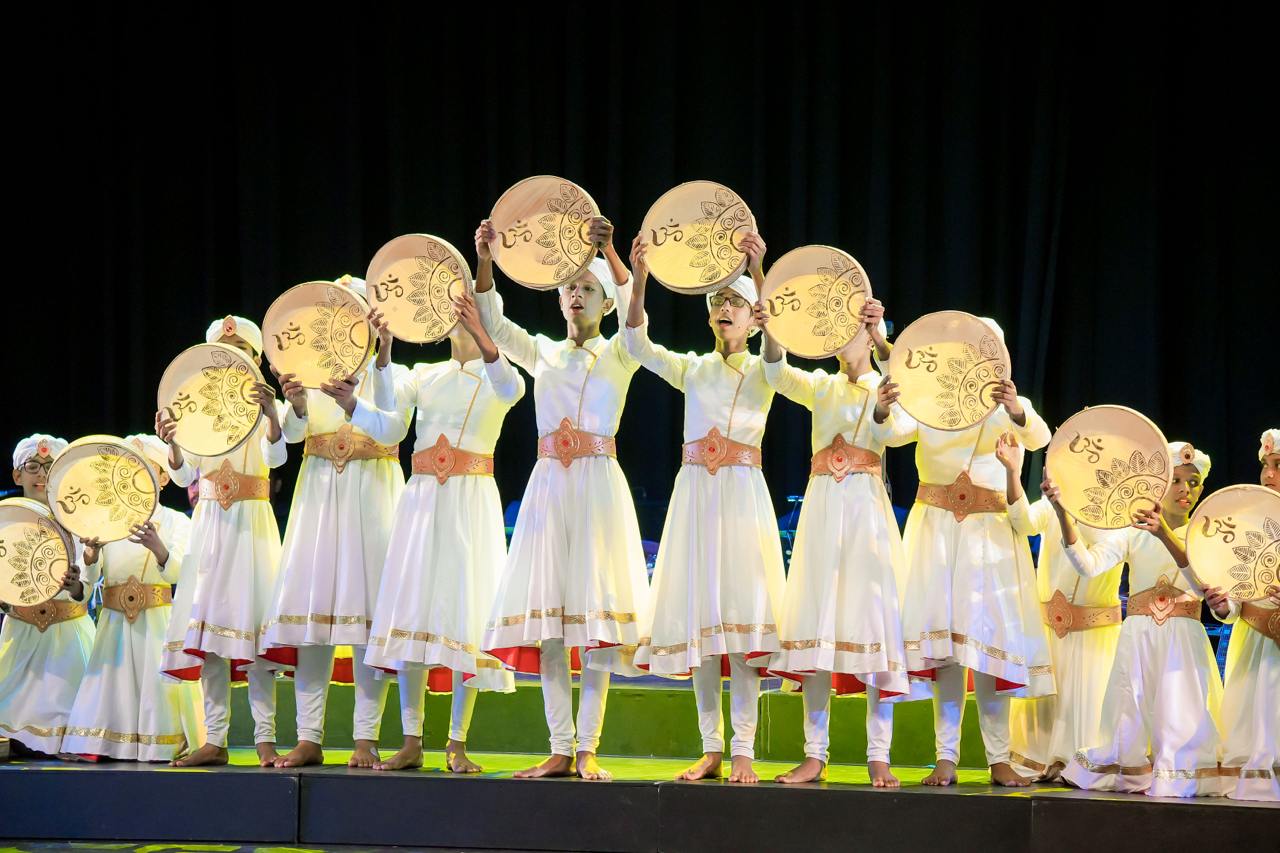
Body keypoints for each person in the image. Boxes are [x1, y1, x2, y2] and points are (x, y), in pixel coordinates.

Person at [477, 216, 649, 781]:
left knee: (594, 624)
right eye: (570, 287)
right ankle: (559, 746)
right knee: (550, 623)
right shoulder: (543, 353)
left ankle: (588, 746)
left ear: (605, 301)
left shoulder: (620, 353)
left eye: (589, 288)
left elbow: (636, 323)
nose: (577, 294)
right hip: (549, 488)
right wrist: (485, 259)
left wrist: (613, 254)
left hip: (597, 490)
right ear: (558, 298)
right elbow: (492, 323)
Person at [625, 233, 783, 785]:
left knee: (739, 629)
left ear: (754, 318)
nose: (724, 309)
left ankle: (744, 750)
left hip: (740, 498)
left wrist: (758, 270)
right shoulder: (694, 368)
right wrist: (640, 278)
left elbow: (778, 350)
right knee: (702, 629)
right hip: (695, 498)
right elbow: (638, 346)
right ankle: (711, 747)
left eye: (735, 302)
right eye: (718, 302)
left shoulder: (764, 369)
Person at [360, 289, 524, 772]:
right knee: (413, 610)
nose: (457, 318)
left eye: (467, 312)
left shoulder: (499, 372)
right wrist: (384, 348)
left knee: (463, 613)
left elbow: (510, 391)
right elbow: (388, 408)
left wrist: (483, 333)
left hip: (469, 503)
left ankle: (456, 742)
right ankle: (411, 740)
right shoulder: (424, 374)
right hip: (422, 501)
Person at [758, 297, 916, 787]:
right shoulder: (822, 386)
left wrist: (883, 409)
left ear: (870, 335)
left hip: (866, 513)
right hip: (824, 510)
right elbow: (776, 373)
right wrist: (773, 327)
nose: (841, 337)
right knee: (818, 623)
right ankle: (815, 754)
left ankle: (878, 755)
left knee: (873, 624)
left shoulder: (887, 386)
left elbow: (902, 434)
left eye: (853, 329)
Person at [895, 318, 1052, 787]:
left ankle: (998, 758)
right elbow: (892, 433)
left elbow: (1040, 437)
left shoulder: (1009, 404)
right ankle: (945, 757)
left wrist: (1015, 408)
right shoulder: (929, 397)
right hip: (938, 531)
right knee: (945, 650)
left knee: (989, 648)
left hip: (989, 536)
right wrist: (885, 406)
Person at [262, 276, 405, 769]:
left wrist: (382, 356)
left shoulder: (391, 372)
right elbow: (286, 442)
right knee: (312, 620)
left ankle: (366, 738)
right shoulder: (309, 374)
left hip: (373, 497)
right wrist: (297, 404)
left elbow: (394, 423)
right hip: (320, 498)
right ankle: (309, 737)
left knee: (366, 622)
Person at [1056, 442, 1230, 797]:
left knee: (1180, 711)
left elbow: (1203, 586)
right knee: (1130, 708)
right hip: (1138, 636)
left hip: (1183, 639)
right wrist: (1061, 512)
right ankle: (1132, 770)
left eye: (1193, 483)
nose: (1184, 489)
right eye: (1176, 480)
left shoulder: (1206, 535)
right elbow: (1087, 565)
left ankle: (1175, 773)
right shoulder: (1132, 532)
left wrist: (1163, 532)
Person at [157, 316, 284, 767]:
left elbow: (277, 455)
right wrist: (173, 444)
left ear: (255, 359)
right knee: (208, 635)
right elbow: (183, 476)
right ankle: (215, 739)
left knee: (255, 636)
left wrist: (271, 414)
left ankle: (266, 738)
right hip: (210, 526)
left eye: (240, 352)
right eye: (222, 353)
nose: (231, 360)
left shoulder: (269, 406)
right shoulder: (197, 412)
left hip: (252, 528)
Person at [61, 434, 203, 761]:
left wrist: (158, 548)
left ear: (163, 477)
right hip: (114, 625)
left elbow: (180, 573)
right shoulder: (104, 519)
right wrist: (90, 558)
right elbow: (87, 586)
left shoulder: (176, 521)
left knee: (157, 684)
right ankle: (106, 743)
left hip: (156, 622)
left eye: (147, 469)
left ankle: (160, 742)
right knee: (113, 684)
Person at [996, 433, 1123, 781]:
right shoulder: (1054, 504)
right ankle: (1042, 760)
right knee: (1047, 708)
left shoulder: (1117, 518)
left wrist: (1063, 511)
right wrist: (1013, 472)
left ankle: (1080, 765)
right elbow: (1022, 522)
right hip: (1050, 631)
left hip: (1092, 636)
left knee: (1083, 710)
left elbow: (1087, 565)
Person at [0, 435, 95, 756]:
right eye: (33, 467)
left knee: (70, 708)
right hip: (20, 633)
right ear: (17, 475)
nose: (41, 474)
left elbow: (89, 580)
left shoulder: (78, 521)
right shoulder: (6, 523)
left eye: (49, 466)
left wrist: (75, 586)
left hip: (67, 636)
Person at [1211, 428, 1279, 801]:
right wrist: (1224, 606)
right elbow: (1234, 596)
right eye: (1265, 465)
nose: (1268, 474)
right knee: (1252, 722)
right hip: (1255, 643)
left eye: (1278, 465)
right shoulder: (1245, 525)